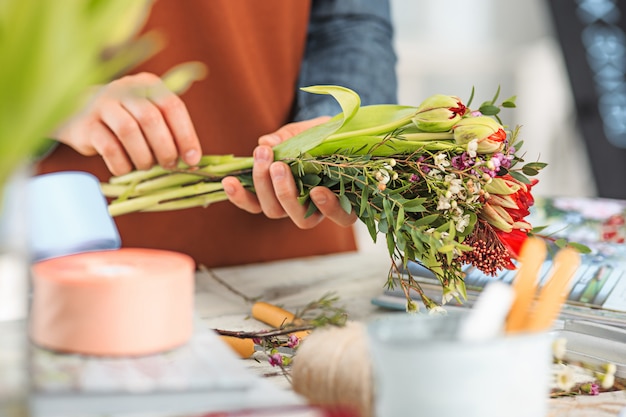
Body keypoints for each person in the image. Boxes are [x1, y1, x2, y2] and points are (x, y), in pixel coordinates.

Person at [37, 0, 398, 267]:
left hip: (298, 246)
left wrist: (332, 129)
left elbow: (351, 21)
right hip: (82, 247)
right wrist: (49, 104)